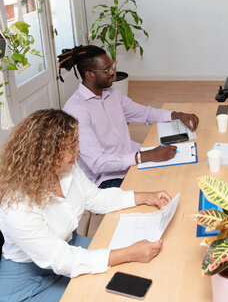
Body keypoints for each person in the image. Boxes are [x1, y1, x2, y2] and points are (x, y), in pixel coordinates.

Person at [0, 109, 172, 301]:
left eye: (76, 143)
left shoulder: (68, 169)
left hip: (69, 248)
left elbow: (95, 198)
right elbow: (62, 259)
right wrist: (128, 253)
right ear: (45, 154)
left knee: (135, 273)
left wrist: (145, 197)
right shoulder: (16, 206)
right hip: (28, 281)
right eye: (70, 147)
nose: (77, 152)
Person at [59, 45, 199, 188]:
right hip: (106, 179)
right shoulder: (76, 111)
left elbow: (144, 113)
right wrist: (146, 156)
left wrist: (176, 115)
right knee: (166, 185)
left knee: (181, 172)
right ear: (90, 75)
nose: (113, 72)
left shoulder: (112, 94)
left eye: (111, 66)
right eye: (106, 70)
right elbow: (97, 163)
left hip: (130, 161)